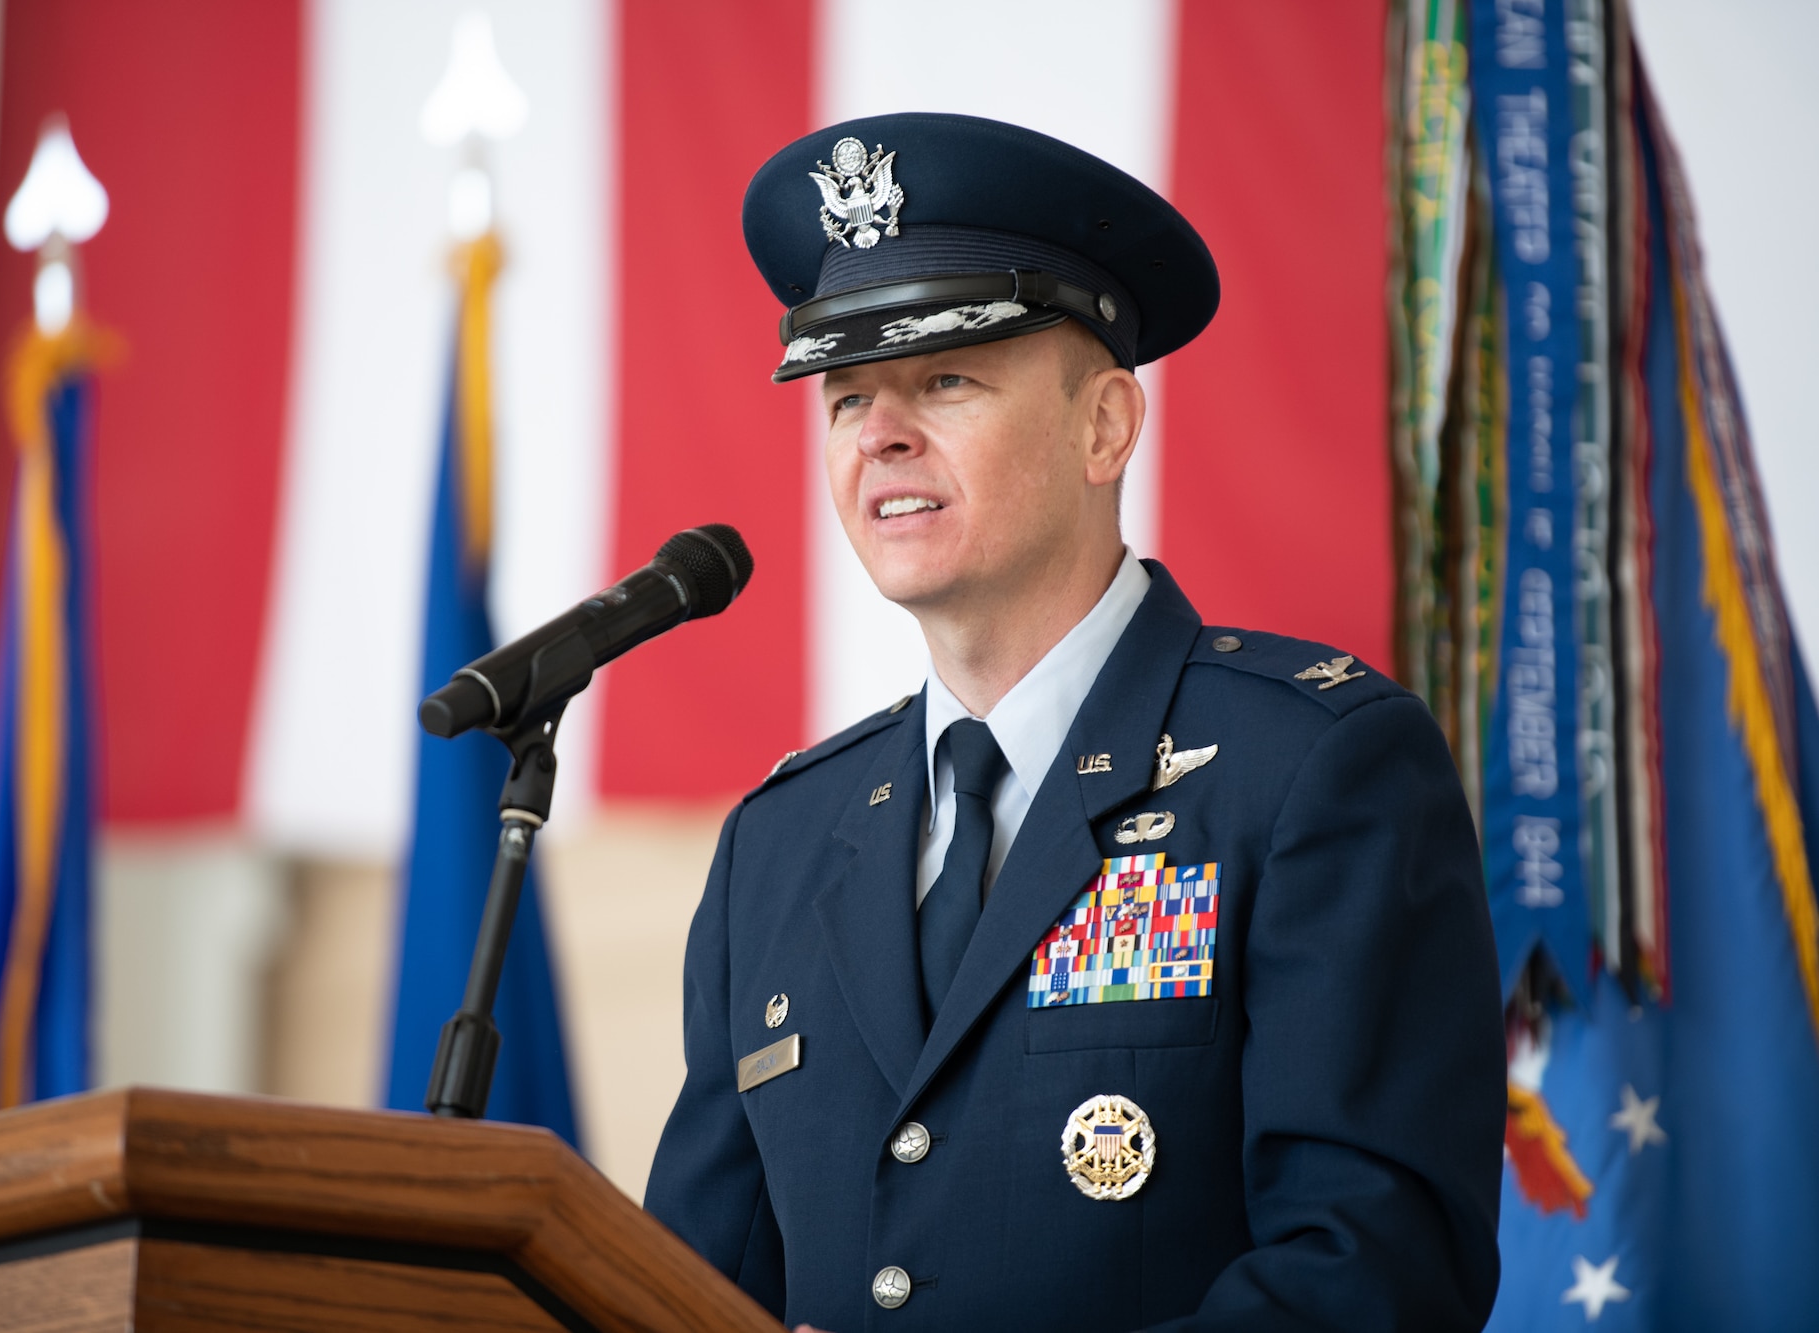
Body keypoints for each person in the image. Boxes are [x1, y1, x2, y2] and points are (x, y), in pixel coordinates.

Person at [644, 112, 1503, 1332]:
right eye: (845, 396)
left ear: (1103, 426)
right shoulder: (776, 849)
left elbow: (1371, 1277)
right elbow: (685, 1293)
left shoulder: (1314, 769)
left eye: (943, 377)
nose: (880, 430)